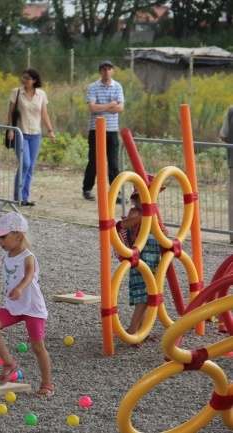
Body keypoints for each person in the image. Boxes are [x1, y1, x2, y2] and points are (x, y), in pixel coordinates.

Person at [0, 212, 53, 398]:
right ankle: (9, 363)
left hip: (32, 308)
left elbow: (29, 276)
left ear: (18, 236)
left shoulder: (28, 257)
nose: (0, 241)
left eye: (3, 236)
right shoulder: (6, 255)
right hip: (14, 306)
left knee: (38, 347)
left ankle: (47, 384)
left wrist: (21, 288)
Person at [120, 179, 167, 338]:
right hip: (141, 258)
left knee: (148, 295)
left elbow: (158, 233)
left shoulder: (154, 214)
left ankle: (142, 331)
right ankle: (133, 330)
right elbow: (124, 224)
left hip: (152, 258)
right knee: (144, 296)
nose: (155, 198)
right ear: (140, 197)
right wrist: (142, 218)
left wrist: (163, 232)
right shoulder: (137, 211)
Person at [7, 69, 55, 206]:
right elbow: (10, 112)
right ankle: (17, 196)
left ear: (34, 80)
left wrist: (50, 130)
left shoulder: (41, 95)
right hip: (20, 133)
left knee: (30, 167)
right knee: (25, 163)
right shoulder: (16, 92)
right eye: (23, 78)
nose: (25, 80)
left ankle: (25, 196)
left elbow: (44, 113)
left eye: (28, 78)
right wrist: (10, 129)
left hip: (35, 134)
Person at [82, 60, 125, 202]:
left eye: (109, 69)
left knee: (113, 162)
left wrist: (103, 107)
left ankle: (116, 193)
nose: (107, 71)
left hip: (112, 129)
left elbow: (120, 108)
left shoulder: (117, 86)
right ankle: (87, 189)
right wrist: (111, 104)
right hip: (95, 129)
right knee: (94, 161)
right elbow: (93, 108)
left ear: (112, 71)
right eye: (104, 69)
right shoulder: (93, 87)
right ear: (100, 72)